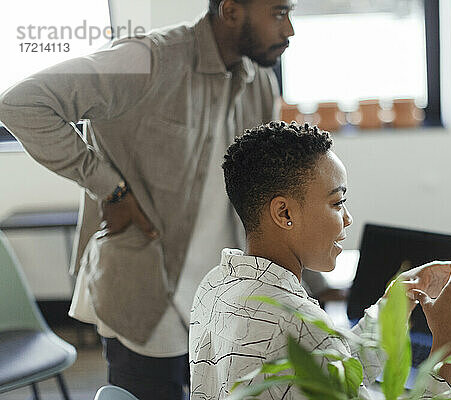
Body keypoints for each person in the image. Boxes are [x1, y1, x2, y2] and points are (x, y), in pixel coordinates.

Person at [0, 1, 315, 399]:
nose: (289, 30)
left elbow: (265, 195)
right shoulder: (145, 59)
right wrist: (109, 188)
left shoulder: (260, 82)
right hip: (146, 296)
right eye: (278, 13)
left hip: (223, 299)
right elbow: (21, 104)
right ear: (232, 11)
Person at [189, 121, 451, 399]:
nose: (348, 218)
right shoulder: (297, 325)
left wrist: (402, 293)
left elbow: (335, 366)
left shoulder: (214, 287)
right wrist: (450, 343)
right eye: (337, 202)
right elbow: (323, 351)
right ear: (284, 213)